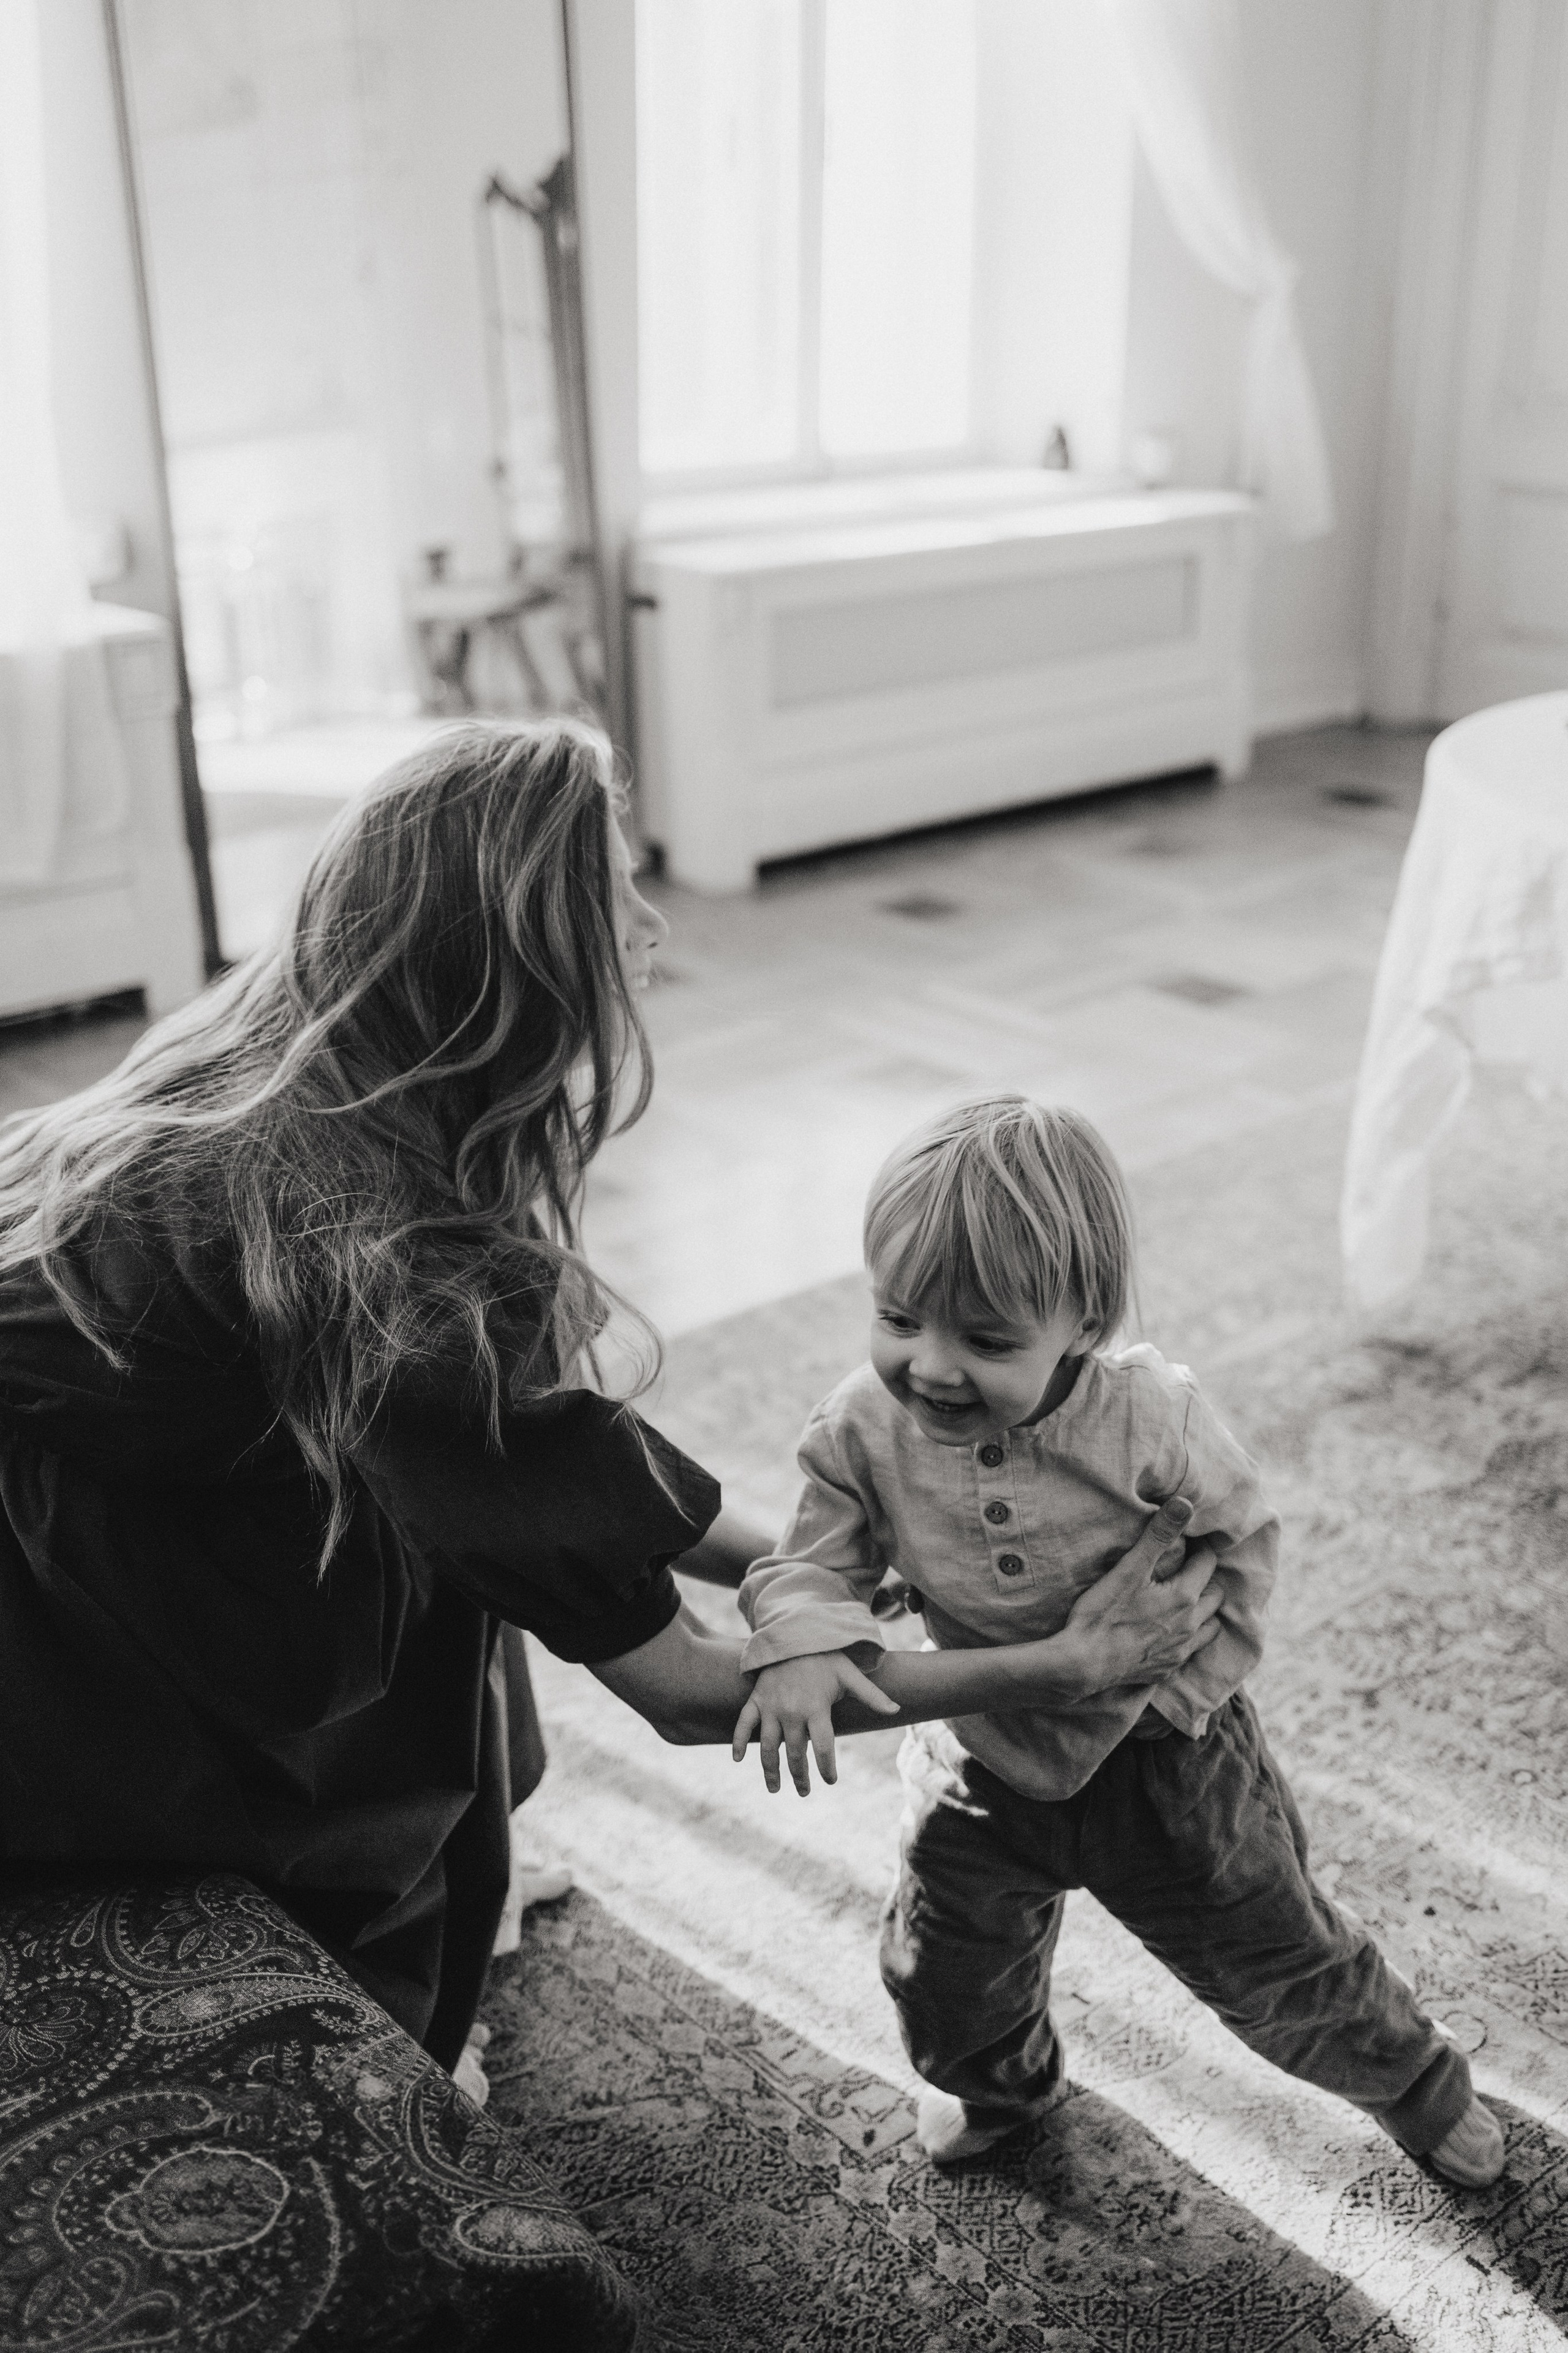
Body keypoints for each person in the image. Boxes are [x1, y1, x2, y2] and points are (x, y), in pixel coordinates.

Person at [0, 722, 1223, 2110]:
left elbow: (561, 1470)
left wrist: (838, 1559)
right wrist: (1052, 1663)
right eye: (613, 896)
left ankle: (468, 1852)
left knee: (477, 1528)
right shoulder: (403, 1276)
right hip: (61, 1640)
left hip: (124, 1478)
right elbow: (695, 1693)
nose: (649, 927)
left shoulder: (302, 1055)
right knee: (419, 1574)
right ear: (512, 969)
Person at [732, 1094, 1506, 2186]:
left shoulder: (1149, 1420)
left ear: (1083, 1324)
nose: (933, 1367)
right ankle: (1004, 2082)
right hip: (978, 1759)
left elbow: (1241, 1546)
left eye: (988, 1339)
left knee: (1273, 1958)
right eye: (899, 1319)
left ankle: (1416, 2084)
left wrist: (1187, 1699)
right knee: (941, 1970)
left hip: (1167, 1764)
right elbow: (813, 1557)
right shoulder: (860, 1427)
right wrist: (803, 1640)